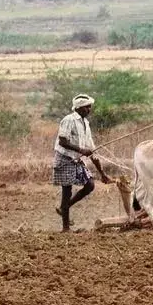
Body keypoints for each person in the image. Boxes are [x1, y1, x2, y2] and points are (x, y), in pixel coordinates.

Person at [51, 93, 111, 232]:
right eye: (86, 107)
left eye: (89, 107)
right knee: (67, 191)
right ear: (78, 108)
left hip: (77, 159)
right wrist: (81, 150)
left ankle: (64, 207)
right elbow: (63, 141)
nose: (89, 110)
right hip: (65, 159)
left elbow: (91, 151)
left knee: (90, 185)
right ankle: (65, 228)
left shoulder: (86, 123)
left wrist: (102, 174)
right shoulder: (68, 120)